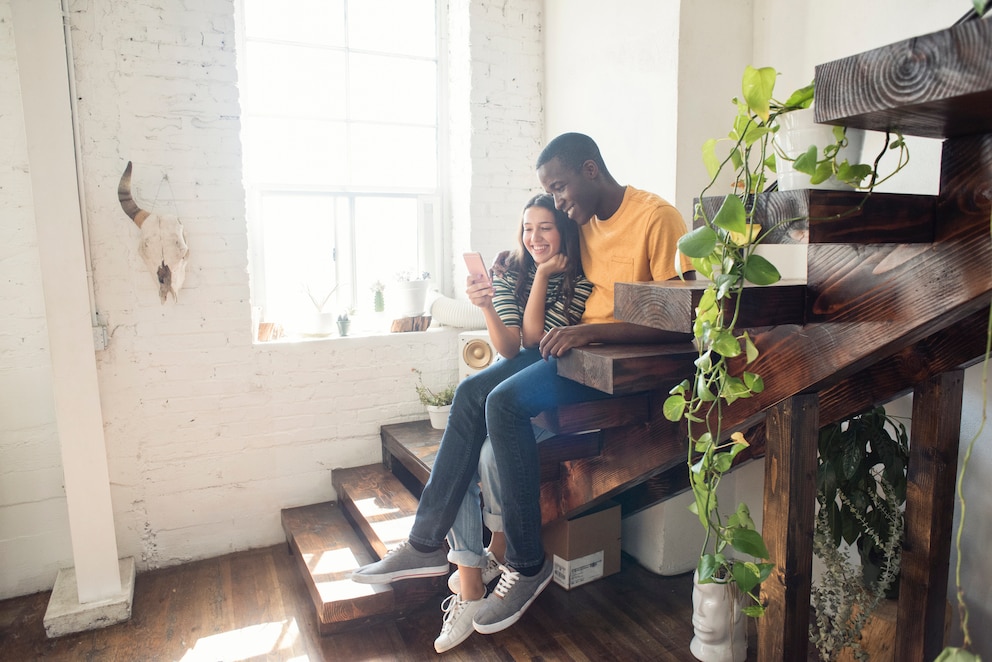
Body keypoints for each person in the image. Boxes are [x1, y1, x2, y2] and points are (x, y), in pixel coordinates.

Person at [353, 132, 693, 639]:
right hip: (574, 348)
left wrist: (587, 332)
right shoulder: (586, 222)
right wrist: (515, 274)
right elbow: (542, 269)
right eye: (550, 194)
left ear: (590, 169)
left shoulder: (655, 218)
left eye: (560, 188)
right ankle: (425, 544)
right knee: (470, 394)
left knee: (504, 403)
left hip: (617, 362)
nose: (557, 202)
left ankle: (527, 564)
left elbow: (681, 319)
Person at [353, 193, 591, 653]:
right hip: (519, 367)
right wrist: (486, 302)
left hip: (545, 373)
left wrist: (543, 277)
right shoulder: (509, 273)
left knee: (474, 431)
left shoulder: (575, 281)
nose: (534, 237)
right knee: (466, 424)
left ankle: (446, 552)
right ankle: (457, 572)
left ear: (563, 231)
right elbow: (508, 348)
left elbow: (539, 342)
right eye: (527, 227)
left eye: (545, 227)